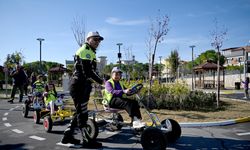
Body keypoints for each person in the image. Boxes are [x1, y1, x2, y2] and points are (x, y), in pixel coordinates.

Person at [61, 31, 104, 148]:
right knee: (83, 113)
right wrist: (102, 82)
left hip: (82, 85)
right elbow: (88, 72)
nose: (97, 42)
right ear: (88, 39)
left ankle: (67, 136)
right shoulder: (85, 51)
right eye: (95, 39)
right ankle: (87, 140)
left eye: (99, 40)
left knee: (79, 111)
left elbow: (91, 72)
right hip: (79, 85)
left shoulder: (90, 51)